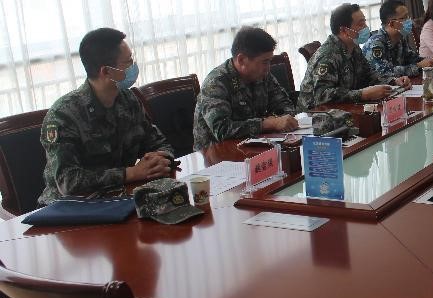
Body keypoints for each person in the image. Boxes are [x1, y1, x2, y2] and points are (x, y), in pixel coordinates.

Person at [38, 28, 173, 205]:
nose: (134, 67)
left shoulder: (128, 99)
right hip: (70, 210)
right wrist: (131, 173)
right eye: (128, 62)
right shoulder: (63, 115)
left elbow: (158, 142)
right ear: (106, 71)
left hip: (120, 198)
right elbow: (68, 182)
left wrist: (159, 161)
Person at [193, 26, 300, 151]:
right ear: (242, 60)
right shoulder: (216, 83)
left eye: (269, 61)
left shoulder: (263, 75)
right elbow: (222, 130)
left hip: (256, 145)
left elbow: (286, 106)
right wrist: (267, 123)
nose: (268, 67)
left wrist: (279, 120)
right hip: (217, 153)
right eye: (265, 62)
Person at [298, 3, 411, 108]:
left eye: (365, 22)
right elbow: (322, 95)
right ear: (344, 30)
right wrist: (362, 94)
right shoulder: (327, 56)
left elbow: (369, 74)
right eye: (361, 24)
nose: (366, 27)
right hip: (316, 113)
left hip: (345, 108)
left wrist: (393, 81)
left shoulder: (354, 47)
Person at [363, 0, 433, 78]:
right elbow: (384, 73)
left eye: (408, 17)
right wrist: (418, 66)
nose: (409, 20)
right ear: (392, 23)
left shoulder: (400, 39)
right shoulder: (375, 44)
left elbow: (413, 58)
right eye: (405, 18)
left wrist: (430, 61)